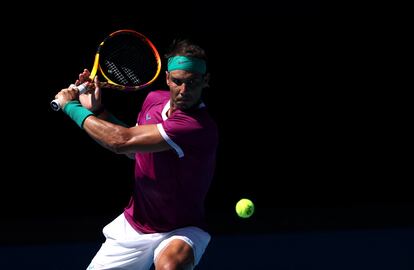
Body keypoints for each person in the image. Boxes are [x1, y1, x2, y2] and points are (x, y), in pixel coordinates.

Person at [54, 38, 218, 270]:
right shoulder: (153, 101)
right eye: (178, 81)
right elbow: (133, 149)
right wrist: (98, 111)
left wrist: (70, 106)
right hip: (135, 225)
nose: (184, 90)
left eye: (192, 83)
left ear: (205, 81)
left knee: (171, 266)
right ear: (168, 79)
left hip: (182, 228)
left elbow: (121, 141)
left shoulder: (197, 126)